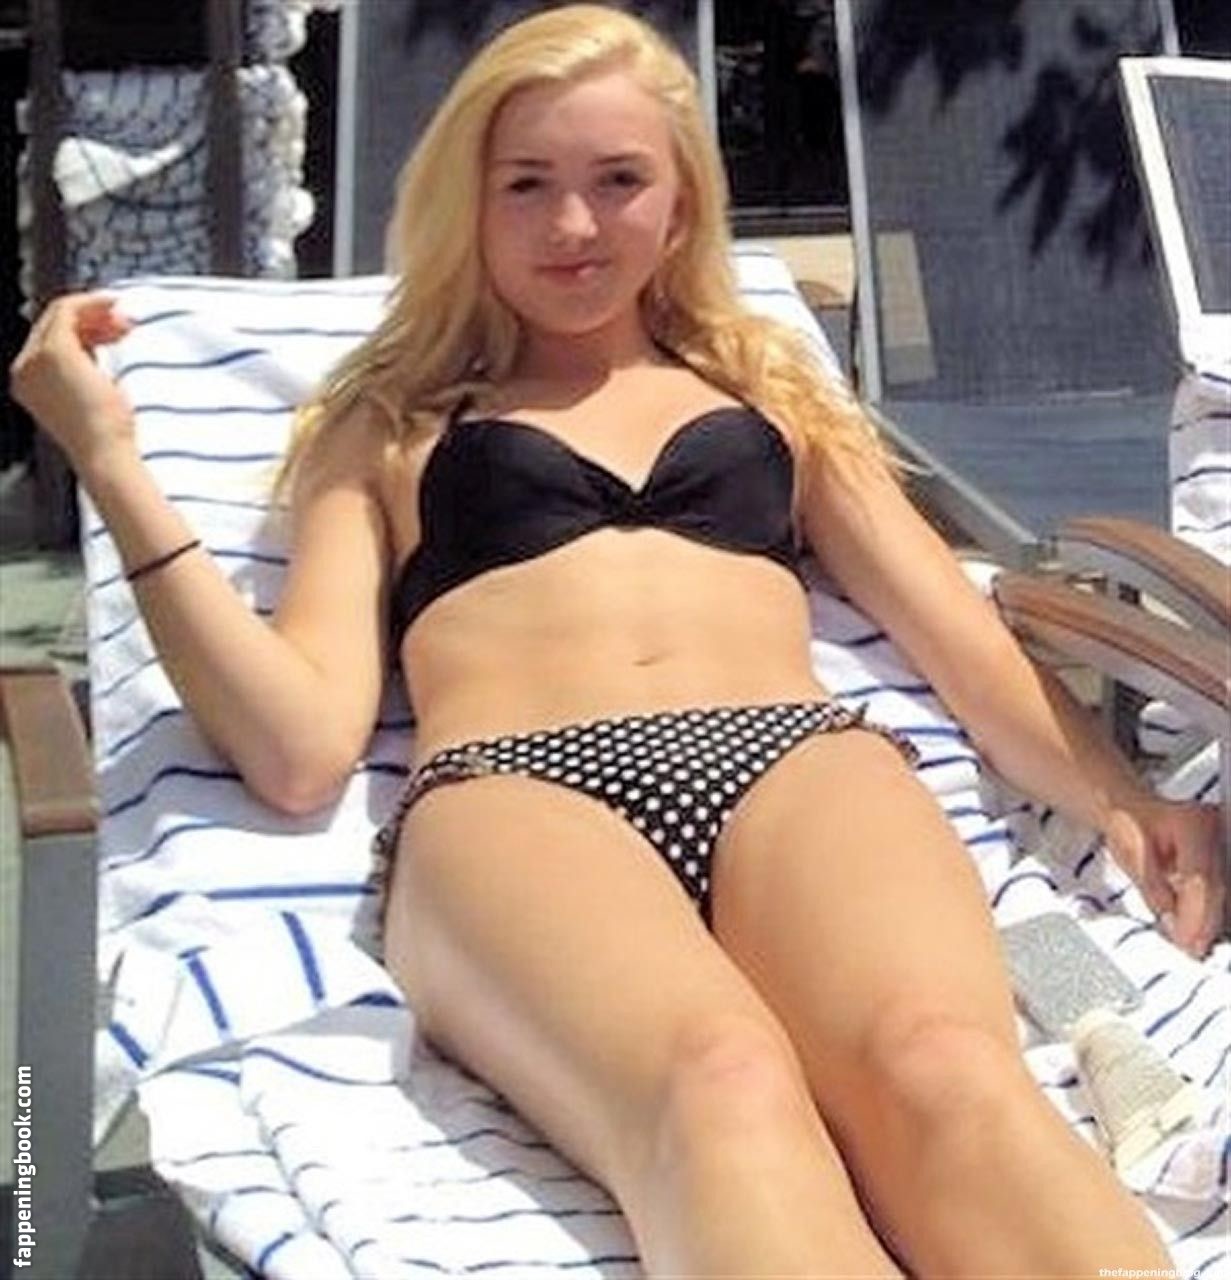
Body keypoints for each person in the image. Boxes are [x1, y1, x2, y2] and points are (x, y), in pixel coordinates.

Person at [11, 6, 1223, 1275]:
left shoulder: (766, 388)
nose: (574, 225)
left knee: (947, 1067)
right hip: (516, 794)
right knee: (720, 1086)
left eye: (618, 181)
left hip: (795, 760)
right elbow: (300, 744)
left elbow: (954, 631)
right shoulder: (388, 421)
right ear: (467, 200)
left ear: (682, 199)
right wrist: (111, 465)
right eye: (526, 184)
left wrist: (1120, 796)